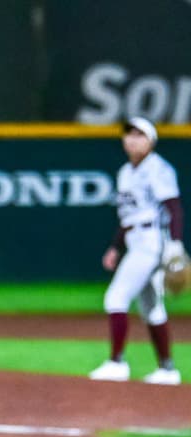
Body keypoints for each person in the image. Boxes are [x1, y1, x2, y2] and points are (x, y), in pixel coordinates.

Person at [89, 117, 183, 385]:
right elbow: (127, 216)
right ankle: (167, 369)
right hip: (136, 237)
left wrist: (175, 245)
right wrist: (115, 247)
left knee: (115, 297)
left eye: (140, 135)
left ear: (151, 141)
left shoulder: (158, 169)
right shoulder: (125, 173)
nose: (132, 139)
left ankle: (117, 363)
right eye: (129, 134)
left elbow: (174, 207)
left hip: (153, 240)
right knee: (151, 307)